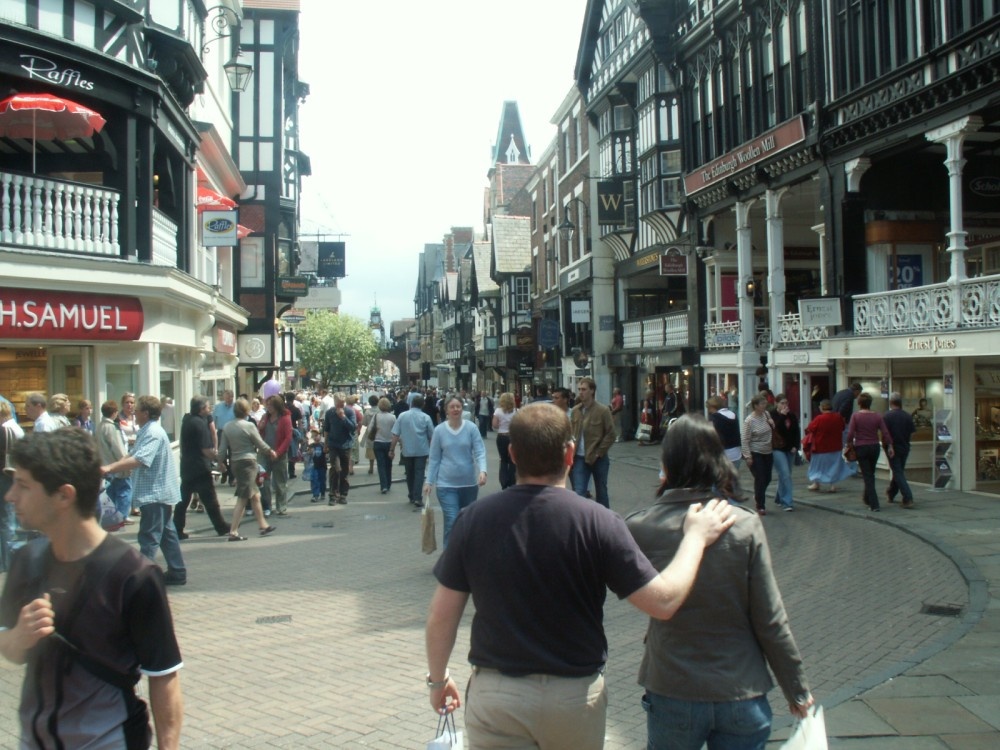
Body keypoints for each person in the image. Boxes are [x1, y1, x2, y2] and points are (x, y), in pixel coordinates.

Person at [424, 403, 736, 748]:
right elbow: (663, 603)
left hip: (497, 694)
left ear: (512, 454)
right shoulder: (598, 521)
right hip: (572, 696)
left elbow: (441, 616)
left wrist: (438, 681)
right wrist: (694, 538)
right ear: (570, 453)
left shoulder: (473, 520)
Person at [626, 415, 813, 749]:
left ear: (666, 462)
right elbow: (770, 619)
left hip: (673, 687)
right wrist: (796, 688)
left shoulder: (640, 527)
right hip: (741, 689)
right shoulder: (744, 525)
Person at [0, 428, 184, 749]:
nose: (10, 495)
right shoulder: (26, 561)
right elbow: (11, 650)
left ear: (63, 495)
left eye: (24, 485)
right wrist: (18, 637)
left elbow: (163, 674)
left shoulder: (135, 575)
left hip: (109, 740)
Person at [101, 396, 186, 585]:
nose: (133, 412)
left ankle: (142, 579)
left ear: (145, 413)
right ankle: (177, 571)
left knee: (149, 537)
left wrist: (109, 468)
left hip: (155, 493)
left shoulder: (153, 432)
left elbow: (140, 459)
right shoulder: (147, 431)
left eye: (137, 410)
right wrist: (113, 466)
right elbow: (131, 455)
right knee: (166, 534)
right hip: (157, 492)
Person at [424, 396, 488, 546]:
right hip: (446, 485)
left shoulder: (471, 428)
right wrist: (429, 481)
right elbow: (434, 459)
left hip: (468, 485)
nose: (455, 409)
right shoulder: (439, 431)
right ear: (446, 410)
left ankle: (464, 556)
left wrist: (482, 471)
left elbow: (479, 451)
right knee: (452, 521)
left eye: (458, 406)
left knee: (466, 522)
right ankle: (449, 559)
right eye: (452, 407)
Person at [218, 398, 276, 539]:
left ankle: (263, 525)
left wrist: (220, 462)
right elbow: (260, 443)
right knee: (243, 497)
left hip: (236, 463)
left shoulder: (227, 427)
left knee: (255, 495)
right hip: (248, 462)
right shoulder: (249, 426)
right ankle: (233, 531)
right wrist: (270, 451)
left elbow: (222, 449)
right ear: (246, 411)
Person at [175, 397, 230, 539]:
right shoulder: (199, 424)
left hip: (187, 466)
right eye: (207, 407)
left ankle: (177, 528)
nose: (209, 409)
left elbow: (182, 443)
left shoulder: (187, 420)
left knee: (183, 501)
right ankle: (221, 527)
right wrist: (220, 462)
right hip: (199, 468)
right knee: (210, 500)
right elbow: (206, 449)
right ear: (201, 409)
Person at [570, 376, 615, 508]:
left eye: (584, 389)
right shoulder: (575, 411)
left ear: (592, 391)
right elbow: (571, 433)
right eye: (579, 389)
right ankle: (582, 522)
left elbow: (611, 434)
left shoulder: (602, 410)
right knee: (579, 492)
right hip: (579, 457)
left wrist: (599, 453)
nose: (581, 392)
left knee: (601, 492)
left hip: (598, 458)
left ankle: (606, 522)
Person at [847, 392, 894, 512]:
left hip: (861, 447)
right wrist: (890, 446)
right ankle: (866, 498)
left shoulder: (856, 416)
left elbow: (851, 433)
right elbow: (885, 432)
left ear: (859, 404)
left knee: (867, 476)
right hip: (874, 447)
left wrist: (849, 444)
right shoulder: (877, 416)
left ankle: (874, 504)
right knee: (870, 473)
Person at [389, 394, 435, 509]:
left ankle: (411, 494)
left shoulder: (402, 416)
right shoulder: (426, 417)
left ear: (411, 404)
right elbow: (432, 436)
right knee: (419, 473)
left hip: (407, 450)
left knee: (409, 473)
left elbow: (395, 434)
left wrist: (391, 449)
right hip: (422, 450)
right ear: (422, 405)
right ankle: (417, 497)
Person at [96, 399, 134, 525]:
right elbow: (118, 448)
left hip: (104, 465)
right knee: (125, 490)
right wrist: (126, 463)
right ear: (114, 413)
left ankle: (109, 517)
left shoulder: (99, 426)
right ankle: (121, 517)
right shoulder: (111, 428)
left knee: (111, 492)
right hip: (116, 466)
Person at [805, 399, 856, 492]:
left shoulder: (819, 418)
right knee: (833, 466)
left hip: (820, 447)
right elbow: (842, 427)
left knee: (817, 466)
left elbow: (810, 428)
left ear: (822, 407)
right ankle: (833, 485)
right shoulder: (838, 417)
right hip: (835, 446)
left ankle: (816, 483)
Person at [257, 395, 292, 516]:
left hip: (279, 454)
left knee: (280, 482)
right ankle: (266, 506)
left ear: (277, 406)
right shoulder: (265, 417)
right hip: (264, 452)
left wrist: (278, 452)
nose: (268, 407)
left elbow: (288, 438)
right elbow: (259, 434)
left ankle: (281, 507)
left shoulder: (285, 418)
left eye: (270, 405)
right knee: (263, 480)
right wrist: (260, 428)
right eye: (267, 404)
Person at [741, 394, 775, 516]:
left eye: (765, 403)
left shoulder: (766, 414)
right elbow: (745, 439)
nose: (765, 406)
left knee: (768, 478)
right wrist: (747, 456)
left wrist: (772, 423)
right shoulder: (749, 420)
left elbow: (772, 430)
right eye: (762, 404)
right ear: (755, 406)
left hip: (768, 450)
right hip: (756, 452)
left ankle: (758, 493)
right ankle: (760, 505)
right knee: (760, 478)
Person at [0, 400, 22, 571]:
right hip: (10, 477)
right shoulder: (14, 427)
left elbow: (6, 459)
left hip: (6, 477)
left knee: (7, 521)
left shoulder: (6, 429)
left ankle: (7, 563)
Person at [884, 393, 916, 508]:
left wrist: (888, 446)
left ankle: (908, 498)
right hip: (905, 446)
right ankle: (891, 493)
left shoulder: (887, 416)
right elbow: (912, 433)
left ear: (891, 402)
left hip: (892, 447)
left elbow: (884, 434)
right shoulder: (907, 416)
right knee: (898, 471)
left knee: (898, 472)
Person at [323, 391, 356, 505]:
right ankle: (333, 495)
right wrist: (325, 444)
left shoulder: (349, 412)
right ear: (335, 403)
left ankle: (343, 494)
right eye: (338, 404)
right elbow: (326, 429)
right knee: (335, 469)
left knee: (344, 470)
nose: (340, 406)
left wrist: (343, 417)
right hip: (334, 445)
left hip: (346, 445)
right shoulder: (329, 413)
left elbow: (353, 428)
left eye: (342, 404)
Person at [771, 393, 801, 512]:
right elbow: (775, 429)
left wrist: (796, 446)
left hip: (790, 449)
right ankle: (787, 502)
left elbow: (796, 432)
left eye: (786, 403)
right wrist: (782, 416)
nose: (785, 405)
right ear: (776, 404)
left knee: (785, 474)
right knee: (785, 474)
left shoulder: (792, 415)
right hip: (777, 448)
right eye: (782, 403)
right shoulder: (772, 415)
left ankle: (779, 497)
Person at [369, 397, 396, 494]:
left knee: (381, 465)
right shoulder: (392, 417)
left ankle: (383, 485)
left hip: (378, 442)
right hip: (389, 443)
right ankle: (388, 483)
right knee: (389, 464)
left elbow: (369, 429)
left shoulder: (376, 416)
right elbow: (396, 431)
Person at [706, 395, 742, 468]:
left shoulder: (714, 418)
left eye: (708, 408)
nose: (709, 411)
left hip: (722, 454)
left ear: (712, 407)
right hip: (736, 452)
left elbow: (711, 435)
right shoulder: (733, 414)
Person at [491, 392, 518, 489]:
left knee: (503, 460)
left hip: (502, 436)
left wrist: (501, 425)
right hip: (513, 437)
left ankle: (504, 481)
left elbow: (494, 425)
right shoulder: (516, 411)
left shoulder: (498, 411)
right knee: (512, 460)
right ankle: (512, 481)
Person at [307, 428, 328, 503]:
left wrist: (326, 450)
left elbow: (326, 452)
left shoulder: (322, 445)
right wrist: (309, 452)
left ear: (320, 436)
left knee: (322, 480)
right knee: (314, 480)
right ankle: (315, 495)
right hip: (314, 466)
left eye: (316, 435)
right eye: (313, 436)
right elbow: (308, 454)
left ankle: (322, 493)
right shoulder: (311, 446)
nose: (315, 437)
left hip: (322, 466)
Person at [362, 394, 379, 474]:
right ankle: (380, 467)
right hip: (379, 432)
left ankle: (371, 467)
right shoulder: (380, 411)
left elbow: (364, 423)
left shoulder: (367, 412)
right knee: (379, 451)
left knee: (370, 451)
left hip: (370, 433)